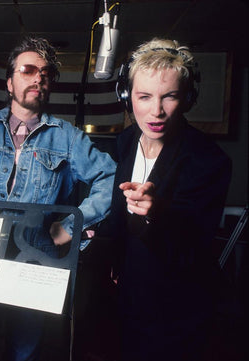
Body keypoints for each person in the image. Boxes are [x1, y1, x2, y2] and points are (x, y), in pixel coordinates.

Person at [0, 36, 116, 361]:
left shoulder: (68, 137)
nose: (38, 78)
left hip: (36, 257)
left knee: (25, 351)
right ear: (9, 82)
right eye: (28, 70)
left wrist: (70, 226)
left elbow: (111, 178)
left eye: (45, 74)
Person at [109, 38, 232, 361]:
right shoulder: (123, 143)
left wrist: (157, 212)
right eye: (144, 96)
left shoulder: (209, 160)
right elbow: (116, 218)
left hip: (179, 312)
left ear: (188, 99)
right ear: (126, 97)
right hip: (127, 302)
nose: (156, 111)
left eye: (170, 96)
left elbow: (193, 245)